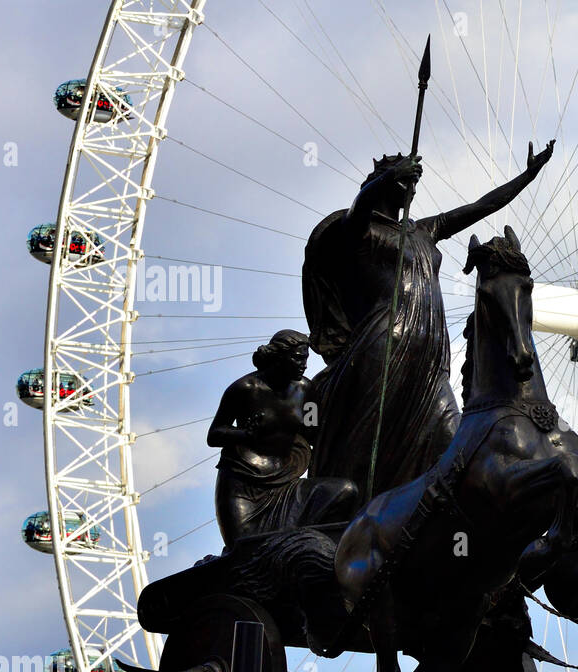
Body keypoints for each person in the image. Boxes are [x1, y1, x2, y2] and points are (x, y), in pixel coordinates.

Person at [301, 140, 555, 499]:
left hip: (430, 353)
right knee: (369, 436)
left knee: (450, 435)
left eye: (415, 183)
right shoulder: (359, 230)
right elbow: (358, 210)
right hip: (384, 349)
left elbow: (481, 206)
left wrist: (528, 175)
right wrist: (388, 176)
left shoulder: (424, 231)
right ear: (386, 182)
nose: (412, 190)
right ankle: (348, 511)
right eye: (406, 182)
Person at [207, 330, 360, 547]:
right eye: (298, 358)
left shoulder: (306, 390)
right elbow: (214, 435)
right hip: (244, 487)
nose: (304, 365)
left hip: (286, 484)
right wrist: (245, 435)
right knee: (245, 551)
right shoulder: (245, 389)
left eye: (306, 358)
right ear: (279, 357)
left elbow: (313, 429)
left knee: (345, 491)